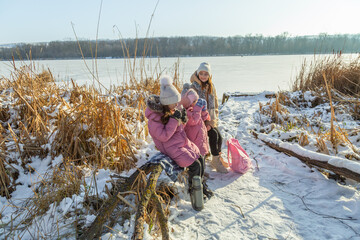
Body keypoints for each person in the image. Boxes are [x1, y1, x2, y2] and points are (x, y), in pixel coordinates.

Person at [145, 76, 213, 204]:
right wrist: (174, 120)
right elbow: (164, 137)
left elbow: (179, 129)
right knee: (195, 165)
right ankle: (194, 191)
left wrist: (183, 120)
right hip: (171, 148)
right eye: (175, 102)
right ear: (166, 102)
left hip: (181, 143)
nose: (177, 104)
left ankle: (201, 187)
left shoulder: (171, 110)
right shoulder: (154, 119)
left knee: (200, 159)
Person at [190, 62, 228, 173]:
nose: (203, 76)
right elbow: (192, 107)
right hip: (198, 120)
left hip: (209, 118)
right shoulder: (194, 87)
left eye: (206, 74)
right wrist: (204, 122)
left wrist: (212, 119)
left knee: (219, 136)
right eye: (201, 73)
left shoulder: (211, 86)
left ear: (209, 75)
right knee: (213, 134)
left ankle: (216, 158)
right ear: (197, 74)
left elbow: (215, 103)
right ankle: (215, 161)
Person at [180, 83, 210, 157]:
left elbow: (202, 118)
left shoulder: (194, 109)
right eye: (194, 101)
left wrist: (204, 110)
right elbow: (194, 121)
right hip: (194, 140)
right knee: (197, 155)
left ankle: (202, 165)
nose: (196, 103)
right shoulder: (187, 112)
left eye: (196, 100)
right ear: (187, 103)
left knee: (202, 155)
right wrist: (198, 108)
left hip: (200, 137)